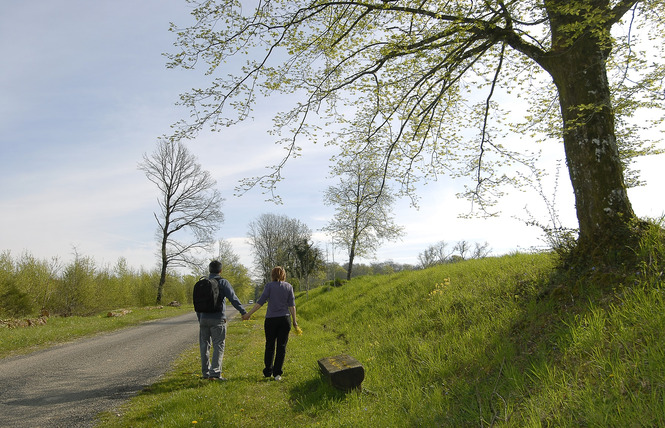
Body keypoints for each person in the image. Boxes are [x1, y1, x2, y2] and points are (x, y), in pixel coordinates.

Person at [242, 266, 297, 381]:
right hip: (284, 320)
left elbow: (260, 302)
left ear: (272, 275)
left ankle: (268, 371)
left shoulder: (269, 286)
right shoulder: (289, 287)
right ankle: (277, 373)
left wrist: (249, 314)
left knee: (270, 345)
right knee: (281, 346)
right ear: (283, 275)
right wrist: (295, 322)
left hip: (271, 320)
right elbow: (292, 305)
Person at [197, 260, 247, 380]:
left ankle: (205, 373)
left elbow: (197, 304)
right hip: (218, 319)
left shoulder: (202, 283)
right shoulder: (223, 282)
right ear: (220, 270)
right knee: (218, 345)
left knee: (204, 345)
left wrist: (200, 319)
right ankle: (214, 373)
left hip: (203, 319)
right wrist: (243, 312)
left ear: (209, 270)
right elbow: (233, 298)